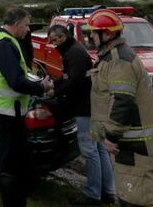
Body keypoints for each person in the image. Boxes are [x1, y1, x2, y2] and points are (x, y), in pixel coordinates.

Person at [87, 9, 153, 207]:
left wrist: (111, 136)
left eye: (94, 32)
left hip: (133, 146)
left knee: (137, 200)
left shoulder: (119, 60)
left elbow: (123, 101)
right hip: (128, 145)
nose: (90, 36)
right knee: (137, 197)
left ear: (108, 34)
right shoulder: (111, 57)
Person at [0, 7, 53, 207]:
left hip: (9, 109)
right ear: (15, 25)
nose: (27, 29)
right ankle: (12, 202)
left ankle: (17, 199)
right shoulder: (4, 44)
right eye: (25, 25)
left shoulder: (3, 40)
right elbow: (15, 81)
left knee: (15, 158)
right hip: (8, 111)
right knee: (10, 160)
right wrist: (41, 87)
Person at [48, 24, 116, 205]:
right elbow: (69, 77)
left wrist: (56, 92)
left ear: (63, 37)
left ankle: (93, 194)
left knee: (90, 150)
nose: (54, 45)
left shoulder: (74, 53)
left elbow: (74, 82)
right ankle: (108, 192)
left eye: (55, 40)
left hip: (85, 109)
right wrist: (56, 83)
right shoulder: (74, 50)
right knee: (100, 150)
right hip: (92, 106)